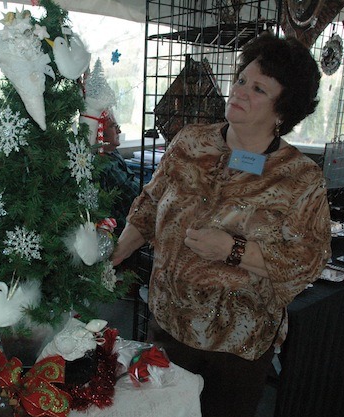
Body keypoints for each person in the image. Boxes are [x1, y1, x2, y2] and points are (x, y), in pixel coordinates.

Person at [111, 33, 331, 417]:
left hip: (237, 344)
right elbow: (147, 208)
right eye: (242, 80)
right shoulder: (189, 143)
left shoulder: (300, 177)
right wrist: (110, 256)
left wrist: (232, 250)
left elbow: (308, 258)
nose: (240, 92)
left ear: (284, 108)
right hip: (170, 327)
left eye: (258, 88)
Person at [99, 111, 140, 234]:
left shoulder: (113, 153)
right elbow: (107, 211)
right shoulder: (100, 165)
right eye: (114, 126)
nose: (119, 131)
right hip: (125, 230)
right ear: (100, 132)